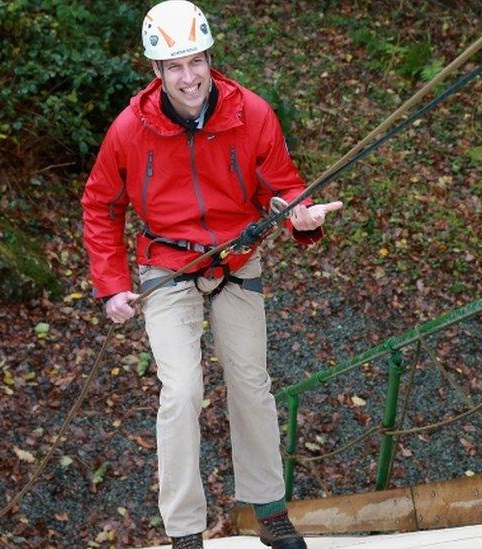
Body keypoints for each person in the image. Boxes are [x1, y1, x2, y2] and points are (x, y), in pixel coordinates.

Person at [81, 1, 342, 547]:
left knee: (251, 383)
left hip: (236, 258)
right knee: (180, 393)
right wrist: (112, 284)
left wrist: (300, 214)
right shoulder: (131, 130)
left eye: (196, 61)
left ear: (209, 59)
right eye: (174, 66)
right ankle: (184, 532)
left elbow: (282, 185)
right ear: (156, 72)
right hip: (167, 267)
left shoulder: (251, 114)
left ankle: (269, 512)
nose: (188, 76)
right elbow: (102, 205)